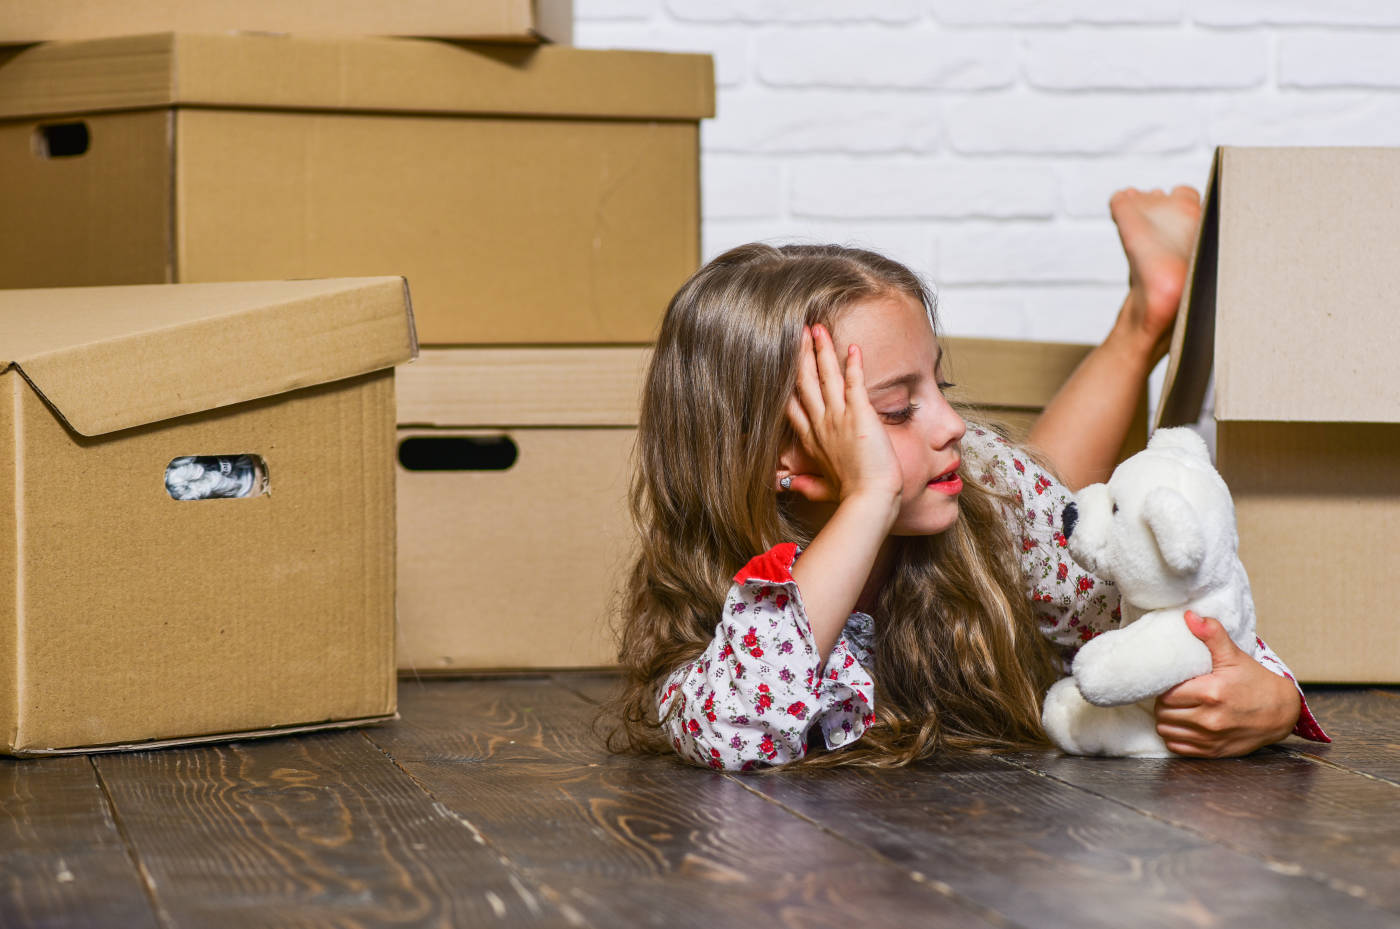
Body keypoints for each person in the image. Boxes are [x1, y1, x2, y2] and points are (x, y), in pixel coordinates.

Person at [610, 187, 1328, 771]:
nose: (949, 420)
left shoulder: (987, 487)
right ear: (776, 458)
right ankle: (1145, 318)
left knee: (1027, 487)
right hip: (963, 495)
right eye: (895, 408)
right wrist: (869, 498)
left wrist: (1270, 696)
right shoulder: (716, 590)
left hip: (1001, 497)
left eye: (940, 384)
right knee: (1024, 476)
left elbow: (1158, 609)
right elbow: (735, 729)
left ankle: (1147, 319)